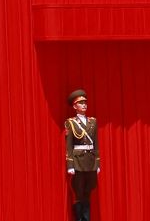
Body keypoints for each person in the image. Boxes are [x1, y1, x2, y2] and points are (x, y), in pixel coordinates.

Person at [63, 89, 99, 221]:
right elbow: (69, 145)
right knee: (78, 192)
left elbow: (96, 144)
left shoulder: (93, 122)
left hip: (90, 161)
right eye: (81, 103)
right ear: (74, 106)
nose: (84, 105)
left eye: (85, 102)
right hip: (78, 161)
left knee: (88, 191)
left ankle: (87, 218)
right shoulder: (71, 123)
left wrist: (97, 162)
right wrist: (70, 164)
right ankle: (79, 219)